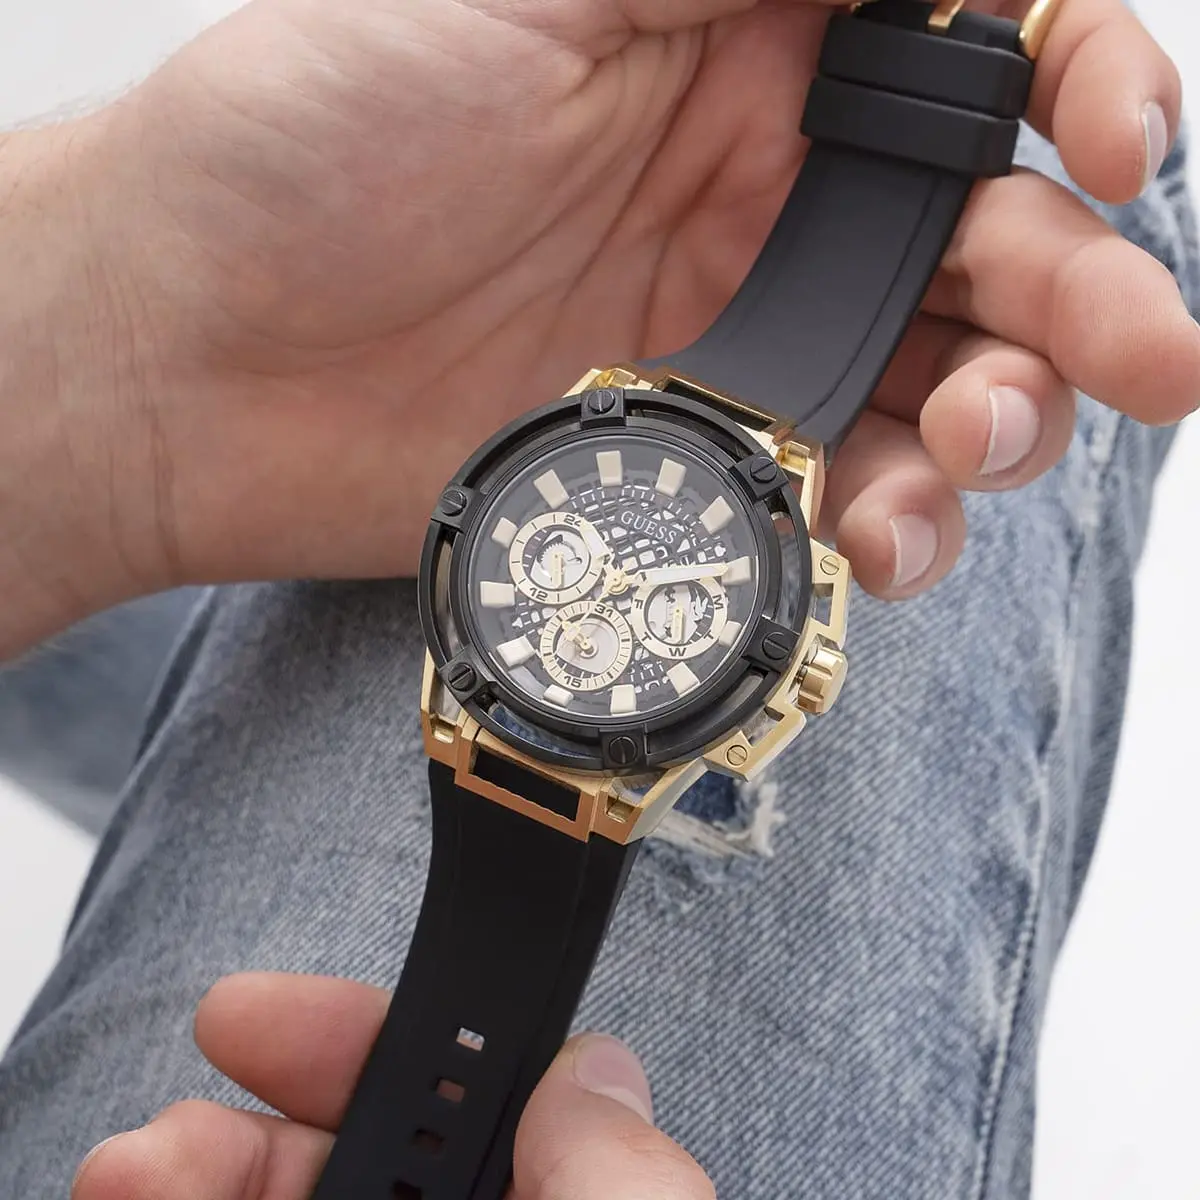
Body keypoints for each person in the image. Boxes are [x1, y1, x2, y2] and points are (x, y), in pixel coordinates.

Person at [0, 0, 1195, 1195]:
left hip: (544, 691)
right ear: (791, 674)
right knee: (1075, 195)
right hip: (546, 691)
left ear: (792, 673)